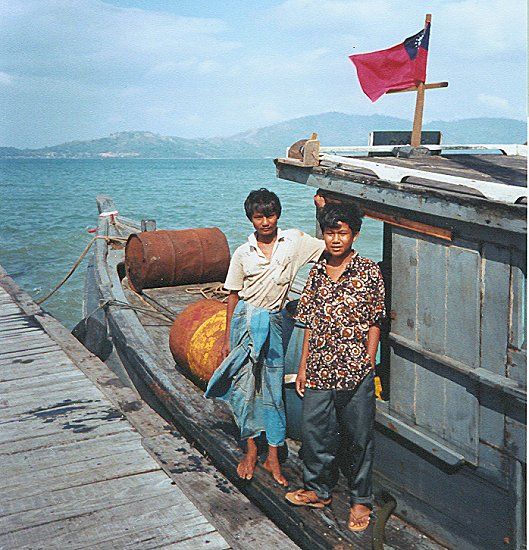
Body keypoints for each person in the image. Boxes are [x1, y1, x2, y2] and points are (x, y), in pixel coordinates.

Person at [205, 188, 325, 486]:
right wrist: (226, 337)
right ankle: (249, 449)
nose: (265, 222)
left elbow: (328, 245)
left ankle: (273, 456)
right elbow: (233, 296)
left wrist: (322, 210)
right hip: (245, 321)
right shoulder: (243, 253)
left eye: (270, 215)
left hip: (273, 322)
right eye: (259, 217)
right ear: (251, 219)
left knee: (272, 388)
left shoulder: (294, 242)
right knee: (246, 387)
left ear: (278, 215)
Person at [285, 203, 386, 533]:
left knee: (359, 439)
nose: (336, 239)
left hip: (356, 373)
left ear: (355, 234)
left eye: (342, 233)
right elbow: (308, 325)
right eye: (330, 233)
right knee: (315, 436)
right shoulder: (315, 273)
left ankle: (361, 500)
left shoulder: (369, 272)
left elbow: (375, 322)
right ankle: (318, 490)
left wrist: (368, 363)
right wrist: (302, 368)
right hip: (317, 370)